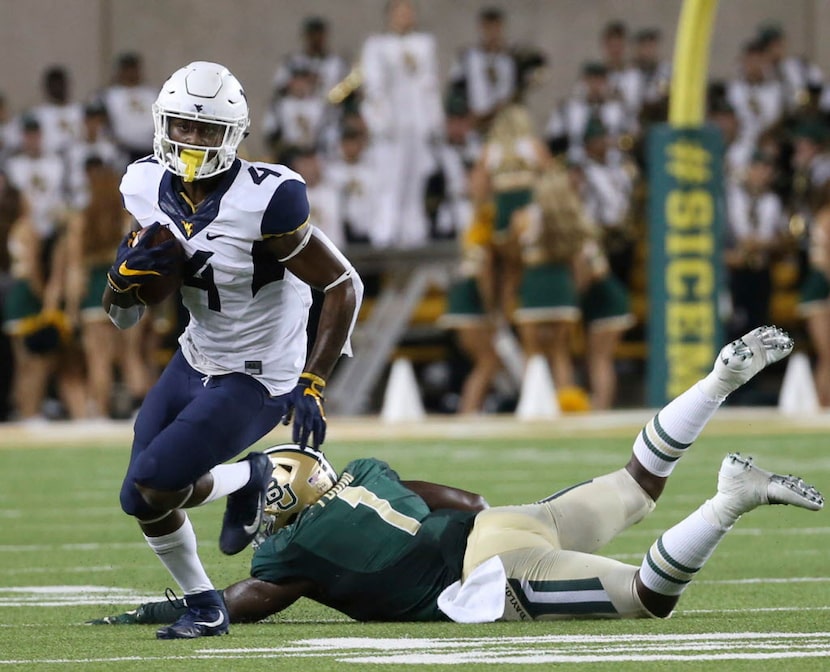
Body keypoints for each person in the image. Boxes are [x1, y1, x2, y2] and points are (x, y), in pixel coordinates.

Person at [91, 326, 823, 629]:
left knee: (646, 597)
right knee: (637, 483)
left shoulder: (288, 558)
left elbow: (232, 603)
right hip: (499, 523)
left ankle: (732, 497)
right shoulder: (371, 471)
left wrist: (155, 611)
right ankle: (717, 384)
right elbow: (468, 499)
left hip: (488, 574)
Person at [101, 61, 363, 639]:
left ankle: (217, 572)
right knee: (140, 499)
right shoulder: (143, 184)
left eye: (207, 129)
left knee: (154, 479)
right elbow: (122, 319)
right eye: (182, 126)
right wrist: (120, 281)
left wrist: (314, 381)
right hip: (195, 355)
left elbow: (343, 284)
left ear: (235, 133)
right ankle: (239, 508)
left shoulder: (269, 198)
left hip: (259, 372)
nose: (192, 140)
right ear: (160, 123)